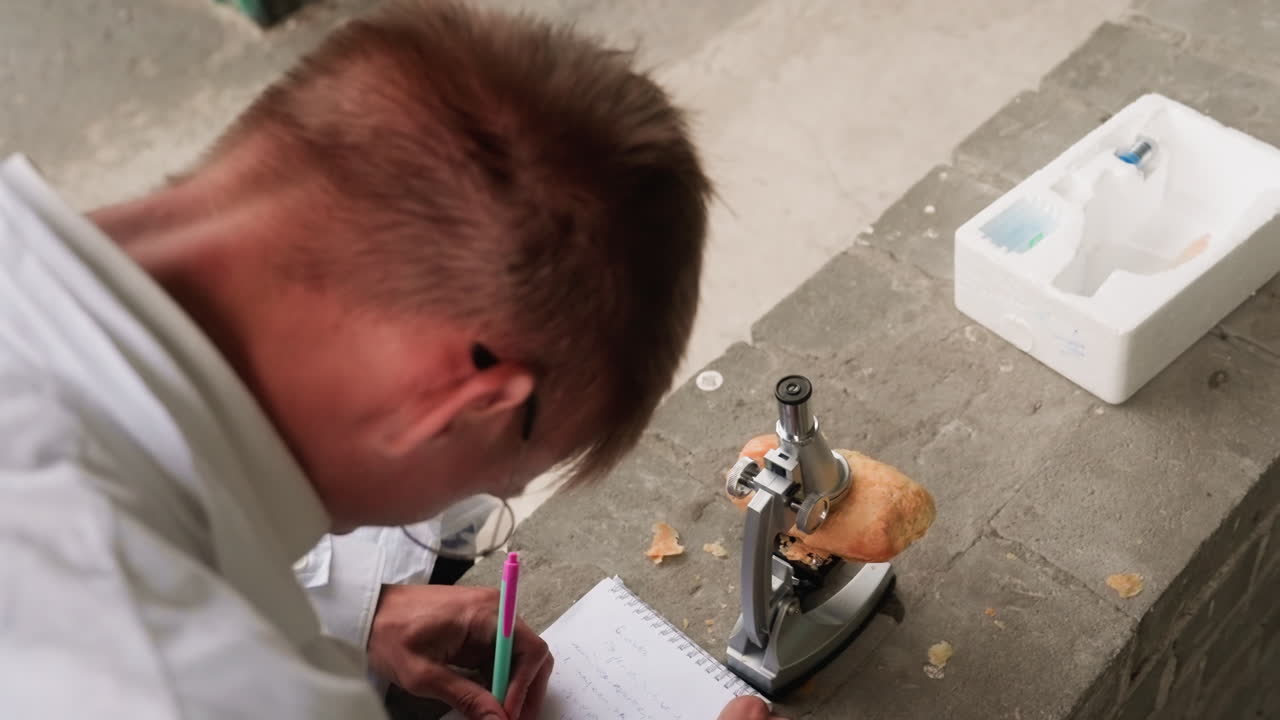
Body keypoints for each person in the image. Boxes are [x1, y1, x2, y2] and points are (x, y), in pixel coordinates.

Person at [0, 1, 786, 718]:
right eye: (492, 486)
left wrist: (353, 610)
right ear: (464, 399)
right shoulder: (199, 684)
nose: (469, 503)